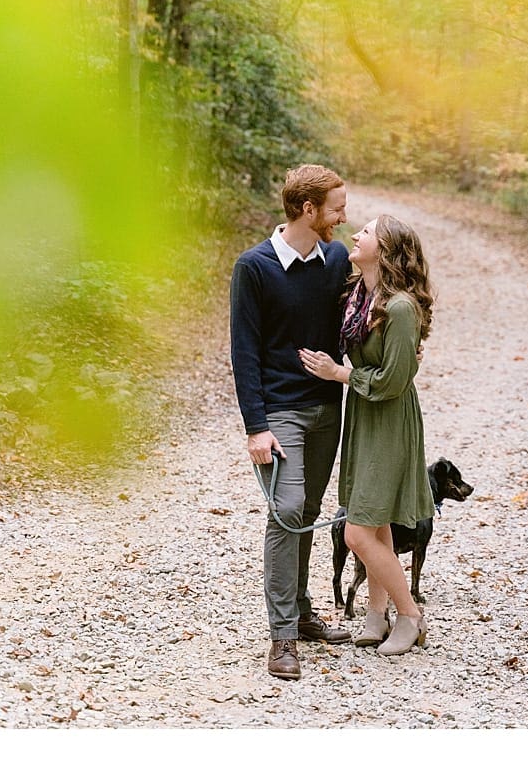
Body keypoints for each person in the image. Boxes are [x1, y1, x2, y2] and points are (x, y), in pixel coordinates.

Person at [229, 164, 354, 682]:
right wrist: (255, 426)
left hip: (327, 410)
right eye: (337, 209)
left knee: (306, 509)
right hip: (279, 413)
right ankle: (282, 635)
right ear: (308, 210)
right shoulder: (254, 267)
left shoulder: (338, 260)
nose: (344, 218)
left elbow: (359, 320)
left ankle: (302, 613)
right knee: (285, 510)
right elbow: (244, 351)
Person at [300, 215, 435, 655]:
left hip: (389, 418)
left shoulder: (399, 308)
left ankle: (410, 615)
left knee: (357, 532)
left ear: (387, 248)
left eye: (367, 232)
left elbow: (393, 381)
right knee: (375, 524)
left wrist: (340, 373)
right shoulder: (360, 295)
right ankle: (376, 615)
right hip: (362, 414)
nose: (355, 235)